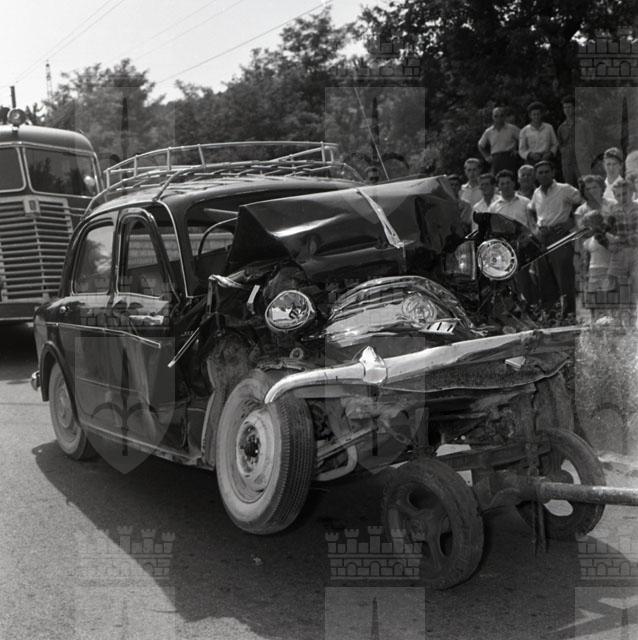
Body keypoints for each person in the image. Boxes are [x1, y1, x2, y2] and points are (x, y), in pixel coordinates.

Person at [528, 160, 582, 314]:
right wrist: (534, 228)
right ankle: (551, 315)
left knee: (564, 275)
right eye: (540, 172)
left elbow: (582, 202)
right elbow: (530, 210)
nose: (544, 175)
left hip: (559, 235)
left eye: (547, 171)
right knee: (544, 276)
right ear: (536, 175)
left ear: (553, 173)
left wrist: (572, 221)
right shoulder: (536, 193)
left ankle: (569, 313)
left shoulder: (564, 189)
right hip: (542, 237)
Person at [607, 178, 638, 311]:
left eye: (624, 194)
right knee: (618, 286)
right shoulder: (613, 210)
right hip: (620, 252)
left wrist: (623, 240)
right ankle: (624, 316)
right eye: (618, 195)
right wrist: (611, 241)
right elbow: (606, 230)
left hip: (635, 251)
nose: (621, 198)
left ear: (631, 192)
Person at [477, 107, 520, 174]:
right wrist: (486, 156)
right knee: (496, 178)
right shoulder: (489, 131)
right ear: (492, 117)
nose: (499, 118)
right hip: (496, 159)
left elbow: (523, 139)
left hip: (509, 157)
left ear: (504, 116)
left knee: (511, 177)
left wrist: (518, 151)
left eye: (501, 115)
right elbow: (480, 145)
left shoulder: (512, 129)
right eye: (496, 116)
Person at [557, 96, 579, 186]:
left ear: (574, 108)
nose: (567, 110)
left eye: (569, 107)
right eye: (565, 107)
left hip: (581, 160)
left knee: (584, 185)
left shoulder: (583, 124)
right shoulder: (561, 128)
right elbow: (560, 144)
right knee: (569, 186)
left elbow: (590, 142)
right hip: (567, 162)